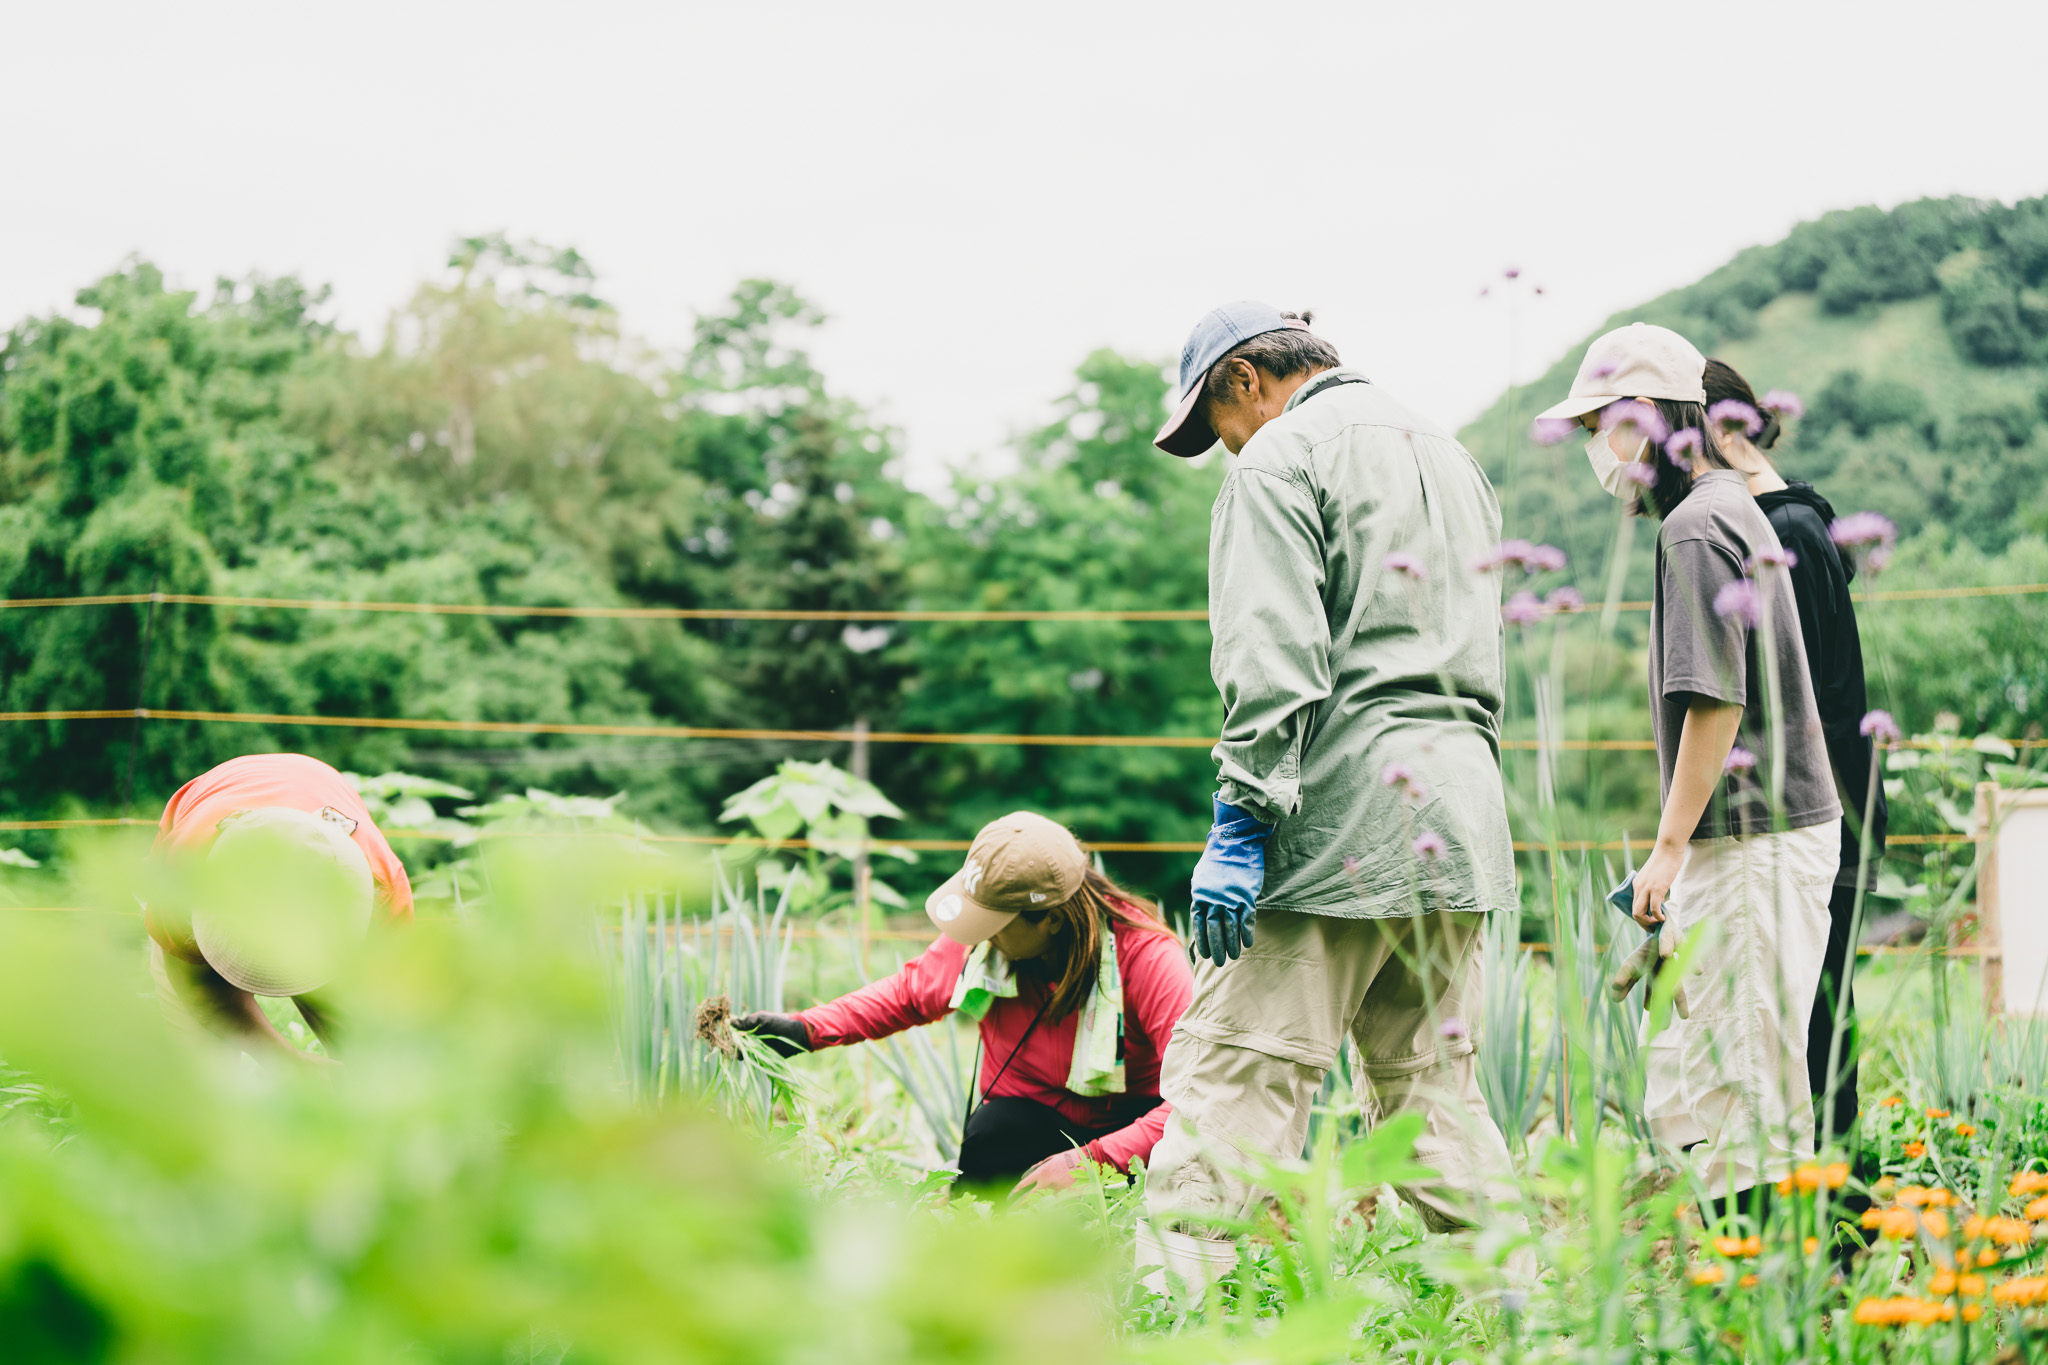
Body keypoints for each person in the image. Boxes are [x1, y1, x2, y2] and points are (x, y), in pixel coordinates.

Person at [1142, 302, 1521, 1254]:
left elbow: (1272, 661)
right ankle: (1521, 1316)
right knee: (1433, 1092)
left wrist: (1241, 823)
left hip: (1339, 817)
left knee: (1240, 1073)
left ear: (1245, 380)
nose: (1225, 448)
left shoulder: (1279, 457)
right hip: (1458, 814)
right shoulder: (1448, 451)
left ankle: (1169, 1315)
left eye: (1215, 427)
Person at [1536, 323, 1842, 1202]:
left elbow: (1716, 702)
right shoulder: (1727, 507)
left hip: (1752, 835)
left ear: (1647, 417)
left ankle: (1759, 1304)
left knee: (1741, 1087)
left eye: (1603, 426)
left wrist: (1669, 848)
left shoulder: (1695, 528)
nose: (1599, 451)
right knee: (1736, 1072)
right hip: (1769, 831)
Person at [735, 811, 1192, 1193]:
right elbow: (909, 994)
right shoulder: (990, 941)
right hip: (1020, 1132)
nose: (980, 935)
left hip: (1132, 1140)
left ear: (1050, 920)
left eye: (994, 922)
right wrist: (803, 1031)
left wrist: (1090, 1163)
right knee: (995, 1136)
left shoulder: (1149, 961)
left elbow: (1196, 1100)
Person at [1703, 357, 1886, 1144]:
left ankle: (1839, 1227)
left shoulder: (1786, 532)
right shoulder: (1791, 521)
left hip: (1819, 814)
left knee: (1816, 1023)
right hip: (1817, 811)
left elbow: (1808, 699)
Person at [144, 753, 415, 1060]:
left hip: (311, 781)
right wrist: (289, 1062)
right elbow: (201, 992)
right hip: (209, 811)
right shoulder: (183, 876)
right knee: (197, 1064)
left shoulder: (384, 892)